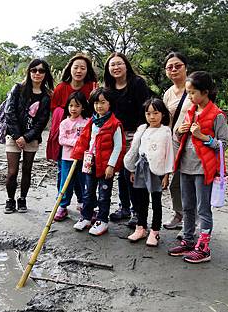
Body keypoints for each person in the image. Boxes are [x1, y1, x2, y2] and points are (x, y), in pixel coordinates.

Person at [168, 71, 228, 263]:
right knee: (187, 206)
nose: (190, 96)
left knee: (203, 209)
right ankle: (187, 240)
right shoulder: (191, 111)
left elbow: (224, 144)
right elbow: (182, 139)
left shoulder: (217, 115)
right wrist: (180, 131)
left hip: (204, 169)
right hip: (186, 166)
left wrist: (203, 137)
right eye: (188, 93)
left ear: (205, 92)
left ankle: (204, 248)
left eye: (193, 92)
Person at [103, 52, 151, 227]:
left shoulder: (137, 83)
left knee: (133, 173)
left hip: (136, 134)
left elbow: (145, 109)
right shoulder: (108, 88)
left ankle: (137, 212)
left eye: (119, 64)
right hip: (116, 135)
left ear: (126, 66)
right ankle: (124, 206)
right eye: (112, 65)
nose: (116, 67)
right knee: (121, 174)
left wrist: (141, 135)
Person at [71, 88, 126, 236]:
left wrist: (111, 165)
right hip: (91, 162)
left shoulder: (115, 124)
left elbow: (119, 147)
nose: (99, 106)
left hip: (105, 165)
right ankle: (86, 217)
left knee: (104, 194)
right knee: (88, 192)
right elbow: (84, 140)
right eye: (96, 103)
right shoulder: (92, 121)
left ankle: (102, 220)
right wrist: (77, 154)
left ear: (110, 104)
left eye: (103, 102)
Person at [46, 54, 98, 210]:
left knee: (84, 173)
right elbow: (54, 110)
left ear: (87, 70)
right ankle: (62, 204)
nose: (79, 71)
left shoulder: (92, 87)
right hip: (66, 137)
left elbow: (97, 108)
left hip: (87, 136)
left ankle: (83, 202)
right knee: (63, 172)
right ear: (70, 69)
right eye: (76, 67)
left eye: (83, 68)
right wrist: (68, 119)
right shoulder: (61, 87)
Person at [4, 58, 54, 214]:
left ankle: (23, 198)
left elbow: (42, 121)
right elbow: (9, 112)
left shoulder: (47, 95)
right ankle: (10, 200)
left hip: (32, 138)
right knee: (12, 172)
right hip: (13, 136)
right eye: (34, 70)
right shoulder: (18, 89)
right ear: (29, 71)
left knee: (27, 169)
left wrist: (26, 137)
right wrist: (18, 135)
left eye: (41, 70)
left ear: (46, 74)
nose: (37, 73)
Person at [124, 98, 174, 246]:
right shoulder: (142, 130)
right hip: (141, 169)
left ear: (163, 114)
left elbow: (169, 153)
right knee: (141, 200)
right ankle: (141, 227)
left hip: (157, 170)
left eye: (156, 113)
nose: (152, 117)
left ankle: (155, 231)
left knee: (157, 202)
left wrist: (166, 174)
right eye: (148, 113)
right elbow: (136, 150)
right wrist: (133, 170)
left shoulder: (165, 131)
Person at [162, 52, 192, 233]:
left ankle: (191, 219)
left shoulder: (194, 87)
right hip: (175, 142)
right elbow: (167, 121)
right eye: (169, 67)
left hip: (194, 144)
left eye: (177, 65)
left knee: (191, 182)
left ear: (186, 67)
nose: (173, 69)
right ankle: (179, 214)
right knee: (176, 182)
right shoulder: (168, 93)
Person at [54, 91, 89, 221]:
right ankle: (62, 206)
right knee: (66, 183)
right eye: (71, 105)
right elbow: (62, 140)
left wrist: (82, 144)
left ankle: (83, 204)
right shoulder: (64, 123)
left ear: (83, 107)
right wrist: (76, 142)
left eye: (77, 106)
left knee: (83, 181)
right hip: (67, 158)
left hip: (83, 159)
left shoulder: (86, 122)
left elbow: (89, 139)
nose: (73, 109)